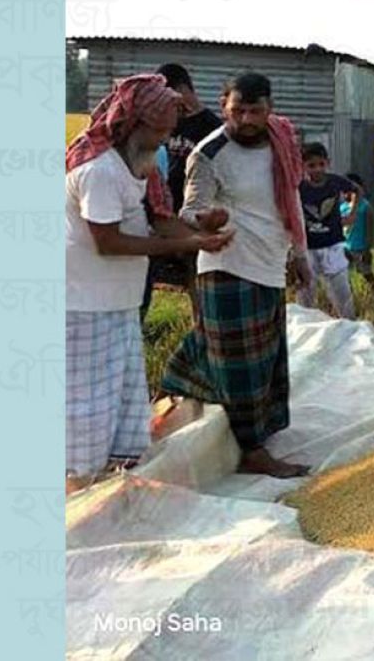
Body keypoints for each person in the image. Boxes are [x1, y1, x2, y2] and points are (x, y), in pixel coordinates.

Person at [65, 74, 233, 494]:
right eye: (159, 131)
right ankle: (76, 490)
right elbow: (107, 241)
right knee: (88, 407)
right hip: (84, 305)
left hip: (116, 303)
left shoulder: (140, 167)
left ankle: (107, 482)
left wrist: (198, 229)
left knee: (121, 399)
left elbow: (160, 220)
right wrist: (188, 242)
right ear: (133, 124)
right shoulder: (100, 171)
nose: (165, 137)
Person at [160, 71, 313, 479]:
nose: (245, 119)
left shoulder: (281, 140)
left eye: (255, 110)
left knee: (263, 359)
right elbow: (188, 210)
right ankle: (251, 451)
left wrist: (299, 253)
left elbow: (291, 197)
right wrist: (205, 219)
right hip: (226, 266)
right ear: (223, 104)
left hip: (268, 263)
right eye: (237, 110)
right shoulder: (209, 153)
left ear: (270, 109)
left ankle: (186, 392)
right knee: (238, 366)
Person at [142, 63, 223, 320]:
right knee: (147, 272)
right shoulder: (167, 122)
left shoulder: (211, 126)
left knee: (195, 275)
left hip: (193, 212)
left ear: (184, 89)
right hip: (160, 210)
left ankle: (200, 329)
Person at [295, 142, 357, 319]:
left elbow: (356, 190)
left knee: (341, 290)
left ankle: (349, 327)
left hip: (333, 244)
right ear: (303, 166)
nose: (317, 169)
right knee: (305, 291)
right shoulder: (299, 187)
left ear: (327, 163)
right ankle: (303, 328)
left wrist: (352, 213)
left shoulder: (335, 182)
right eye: (311, 165)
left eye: (321, 164)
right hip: (308, 246)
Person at [340, 172, 374, 290]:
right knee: (344, 275)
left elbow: (369, 230)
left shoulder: (365, 207)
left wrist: (367, 249)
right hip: (346, 248)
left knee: (366, 273)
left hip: (360, 248)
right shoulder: (342, 207)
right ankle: (348, 294)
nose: (349, 194)